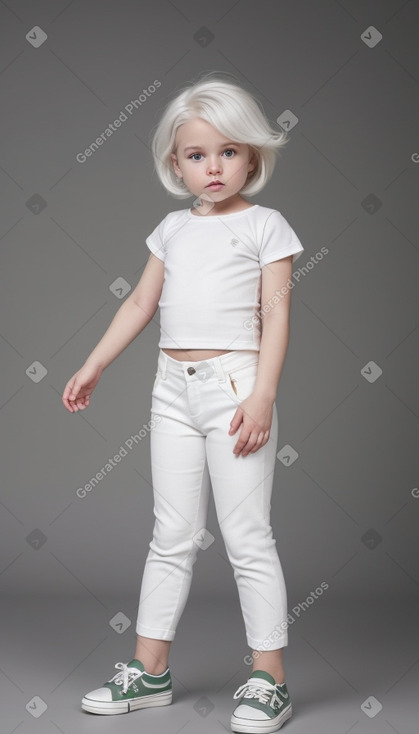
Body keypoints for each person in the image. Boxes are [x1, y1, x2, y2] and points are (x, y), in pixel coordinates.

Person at [62, 70, 304, 732]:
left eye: (228, 151)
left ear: (252, 155)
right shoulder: (170, 228)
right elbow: (142, 301)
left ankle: (269, 678)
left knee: (247, 536)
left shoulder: (266, 226)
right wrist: (94, 363)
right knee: (170, 534)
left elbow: (275, 317)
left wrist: (262, 396)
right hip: (170, 390)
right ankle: (150, 670)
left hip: (235, 390)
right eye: (197, 155)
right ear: (176, 163)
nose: (214, 167)